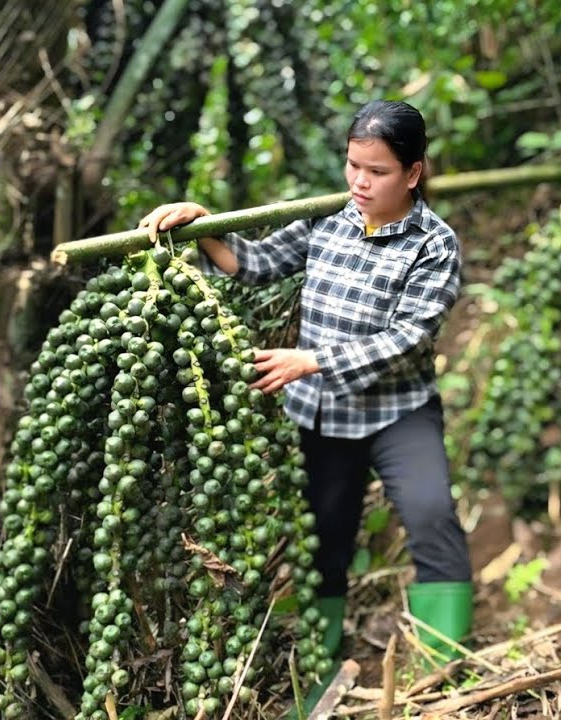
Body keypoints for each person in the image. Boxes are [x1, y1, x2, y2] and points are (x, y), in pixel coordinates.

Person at [138, 99, 473, 692]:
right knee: (324, 538)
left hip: (400, 411)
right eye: (353, 166)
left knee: (431, 514)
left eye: (377, 172)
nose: (360, 183)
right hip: (324, 414)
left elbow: (408, 337)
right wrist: (203, 226)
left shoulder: (434, 245)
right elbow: (258, 263)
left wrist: (311, 359)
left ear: (413, 173)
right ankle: (318, 672)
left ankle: (439, 667)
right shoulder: (328, 216)